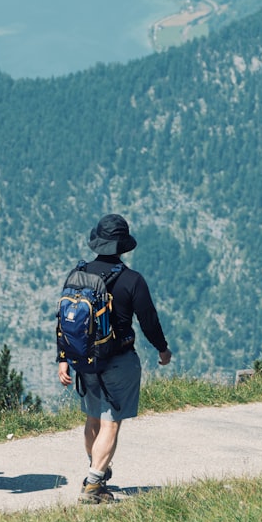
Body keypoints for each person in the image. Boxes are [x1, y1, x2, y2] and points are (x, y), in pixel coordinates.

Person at [57, 213, 173, 503]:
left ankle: (95, 466)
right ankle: (94, 483)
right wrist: (162, 349)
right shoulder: (132, 280)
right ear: (123, 246)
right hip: (118, 360)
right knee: (111, 423)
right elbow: (148, 320)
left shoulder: (77, 275)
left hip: (85, 361)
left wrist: (63, 357)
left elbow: (64, 319)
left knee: (92, 418)